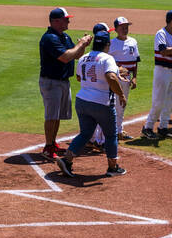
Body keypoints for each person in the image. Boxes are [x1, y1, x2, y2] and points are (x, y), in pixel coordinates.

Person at [54, 31, 127, 178]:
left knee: (86, 133)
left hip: (82, 101)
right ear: (108, 44)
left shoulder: (83, 57)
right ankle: (112, 167)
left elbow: (80, 78)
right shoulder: (108, 58)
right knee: (111, 135)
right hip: (102, 103)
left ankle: (67, 160)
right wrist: (121, 94)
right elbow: (110, 77)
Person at [37, 7, 91, 159]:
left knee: (58, 115)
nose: (68, 21)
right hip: (51, 82)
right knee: (51, 115)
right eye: (66, 19)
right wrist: (80, 44)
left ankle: (52, 143)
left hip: (62, 81)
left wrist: (83, 45)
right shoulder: (50, 38)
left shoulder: (64, 37)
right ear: (55, 21)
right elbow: (65, 57)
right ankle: (48, 147)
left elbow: (75, 55)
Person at [142, 9, 172, 141]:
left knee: (171, 101)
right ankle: (148, 127)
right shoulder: (161, 34)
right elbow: (164, 52)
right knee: (159, 102)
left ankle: (163, 127)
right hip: (162, 71)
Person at [107, 16, 139, 140]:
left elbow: (136, 61)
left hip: (127, 79)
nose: (125, 29)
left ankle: (119, 131)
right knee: (114, 105)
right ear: (116, 29)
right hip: (114, 78)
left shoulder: (133, 42)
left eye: (127, 27)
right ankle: (112, 132)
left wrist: (135, 77)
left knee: (122, 105)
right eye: (122, 27)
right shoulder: (111, 43)